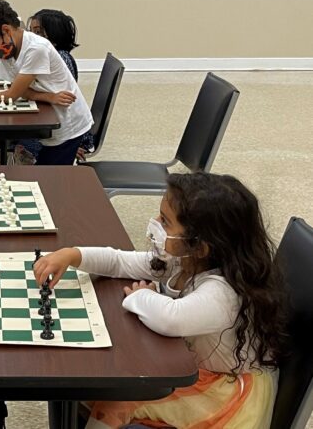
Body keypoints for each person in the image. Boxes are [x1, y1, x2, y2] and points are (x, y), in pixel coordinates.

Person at [34, 172, 287, 428]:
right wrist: (73, 255)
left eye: (165, 222)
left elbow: (170, 318)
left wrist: (141, 295)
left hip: (218, 386)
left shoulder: (223, 293)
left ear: (200, 246)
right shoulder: (182, 260)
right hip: (186, 363)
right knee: (97, 380)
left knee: (118, 401)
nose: (155, 223)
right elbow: (120, 261)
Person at [0, 0, 92, 165]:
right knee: (41, 173)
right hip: (46, 116)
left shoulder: (36, 49)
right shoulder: (7, 50)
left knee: (48, 178)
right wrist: (47, 96)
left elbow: (12, 95)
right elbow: (19, 90)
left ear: (6, 30)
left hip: (68, 125)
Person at [16, 9, 94, 164]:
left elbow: (62, 100)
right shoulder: (44, 54)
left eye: (38, 32)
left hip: (67, 130)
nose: (32, 37)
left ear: (55, 34)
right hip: (59, 122)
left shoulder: (60, 58)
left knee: (20, 138)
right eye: (31, 31)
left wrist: (70, 146)